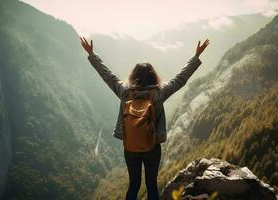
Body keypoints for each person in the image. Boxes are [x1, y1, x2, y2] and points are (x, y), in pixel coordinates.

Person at [79, 36, 209, 200]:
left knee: (134, 184)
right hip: (152, 146)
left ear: (134, 75)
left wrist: (92, 54)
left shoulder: (125, 92)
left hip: (130, 147)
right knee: (151, 184)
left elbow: (107, 76)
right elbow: (180, 79)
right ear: (153, 76)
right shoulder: (158, 94)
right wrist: (196, 56)